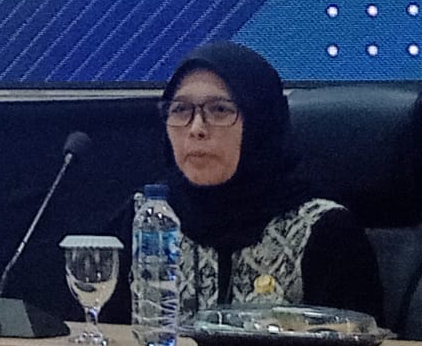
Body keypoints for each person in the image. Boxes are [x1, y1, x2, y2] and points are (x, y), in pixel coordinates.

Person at [150, 40, 381, 315]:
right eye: (180, 110)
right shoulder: (150, 219)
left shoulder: (324, 231)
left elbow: (355, 338)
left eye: (220, 110)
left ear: (260, 123)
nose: (196, 128)